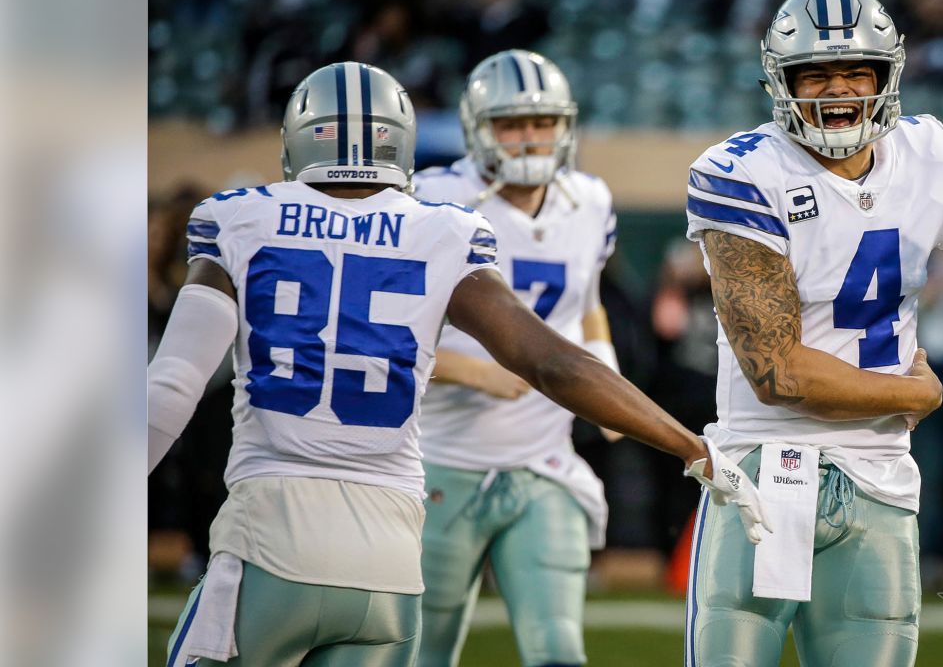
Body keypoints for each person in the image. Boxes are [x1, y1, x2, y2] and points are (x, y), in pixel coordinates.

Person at [149, 61, 769, 667]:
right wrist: (692, 445)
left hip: (273, 539)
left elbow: (174, 383)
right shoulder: (442, 227)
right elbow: (554, 362)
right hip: (390, 561)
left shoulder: (239, 217)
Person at [682, 0, 943, 666]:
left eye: (855, 70)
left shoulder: (924, 156)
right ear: (783, 82)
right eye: (817, 73)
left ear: (887, 75)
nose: (838, 89)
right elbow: (778, 373)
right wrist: (914, 394)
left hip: (881, 478)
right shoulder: (744, 171)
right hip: (762, 471)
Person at [408, 48, 620, 667]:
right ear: (479, 128)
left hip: (542, 462)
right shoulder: (433, 199)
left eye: (542, 122)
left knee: (559, 650)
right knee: (422, 653)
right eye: (511, 124)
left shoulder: (590, 199)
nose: (530, 138)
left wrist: (602, 377)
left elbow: (587, 304)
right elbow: (380, 331)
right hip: (440, 463)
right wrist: (473, 369)